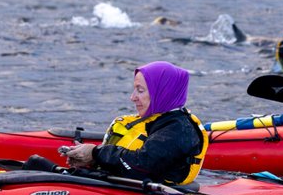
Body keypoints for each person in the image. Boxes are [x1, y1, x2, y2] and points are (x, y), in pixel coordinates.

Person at [58, 61, 206, 186]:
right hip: (137, 188)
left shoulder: (177, 130)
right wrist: (92, 161)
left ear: (162, 93)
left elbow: (140, 167)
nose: (132, 97)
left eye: (140, 91)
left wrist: (95, 153)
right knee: (38, 163)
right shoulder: (161, 121)